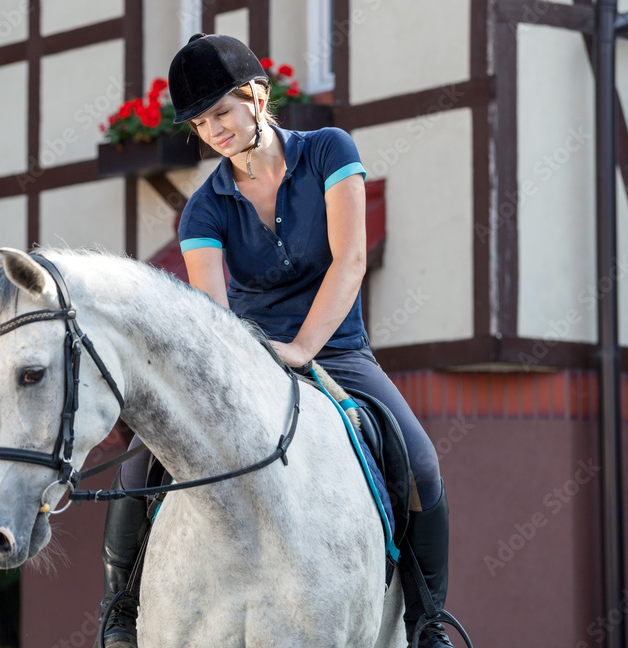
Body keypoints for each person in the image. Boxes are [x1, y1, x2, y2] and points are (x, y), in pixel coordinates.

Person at [95, 33, 456, 648]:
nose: (213, 131)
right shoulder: (203, 210)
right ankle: (119, 615)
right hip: (248, 358)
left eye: (221, 113)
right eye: (201, 123)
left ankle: (427, 623)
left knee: (422, 464)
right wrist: (248, 362)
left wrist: (303, 349)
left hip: (338, 351)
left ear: (257, 96)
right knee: (139, 465)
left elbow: (350, 263)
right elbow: (212, 318)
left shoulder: (329, 151)